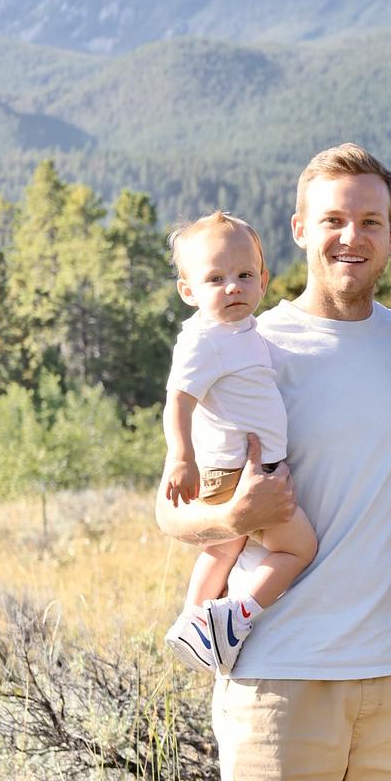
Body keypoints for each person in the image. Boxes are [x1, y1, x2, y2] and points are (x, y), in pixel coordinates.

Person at [155, 144, 391, 781]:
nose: (352, 236)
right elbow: (170, 511)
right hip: (278, 673)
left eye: (370, 221)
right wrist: (231, 519)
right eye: (333, 220)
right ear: (299, 231)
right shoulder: (246, 341)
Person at [162, 211, 317, 674]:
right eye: (216, 279)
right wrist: (181, 457)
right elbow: (178, 401)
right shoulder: (204, 340)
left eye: (244, 275)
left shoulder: (245, 331)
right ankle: (237, 615)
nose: (232, 287)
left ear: (263, 281)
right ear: (188, 291)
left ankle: (194, 621)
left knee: (223, 549)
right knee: (298, 549)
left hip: (239, 467)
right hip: (239, 471)